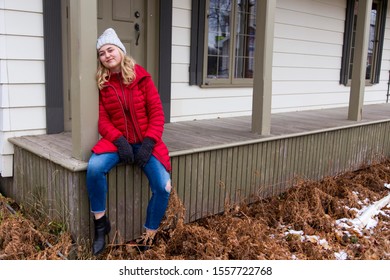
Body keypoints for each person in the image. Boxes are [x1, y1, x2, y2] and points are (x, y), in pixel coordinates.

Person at [86, 28, 172, 256]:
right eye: (102, 53)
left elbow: (157, 113)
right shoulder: (103, 84)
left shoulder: (141, 77)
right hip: (118, 142)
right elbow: (103, 121)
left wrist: (148, 143)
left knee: (163, 186)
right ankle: (101, 225)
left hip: (146, 142)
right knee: (94, 168)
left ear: (121, 51)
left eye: (110, 49)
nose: (106, 55)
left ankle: (148, 237)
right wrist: (120, 142)